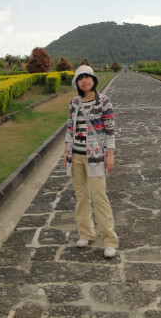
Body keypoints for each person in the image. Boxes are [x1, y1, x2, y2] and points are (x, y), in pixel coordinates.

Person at [63, 64, 118, 258]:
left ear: (93, 80)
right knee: (81, 196)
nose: (84, 80)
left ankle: (109, 241)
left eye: (87, 77)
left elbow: (110, 129)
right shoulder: (74, 103)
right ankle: (86, 233)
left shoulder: (103, 101)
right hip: (76, 156)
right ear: (77, 82)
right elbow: (70, 129)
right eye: (80, 78)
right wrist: (65, 152)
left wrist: (109, 154)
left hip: (95, 157)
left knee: (100, 198)